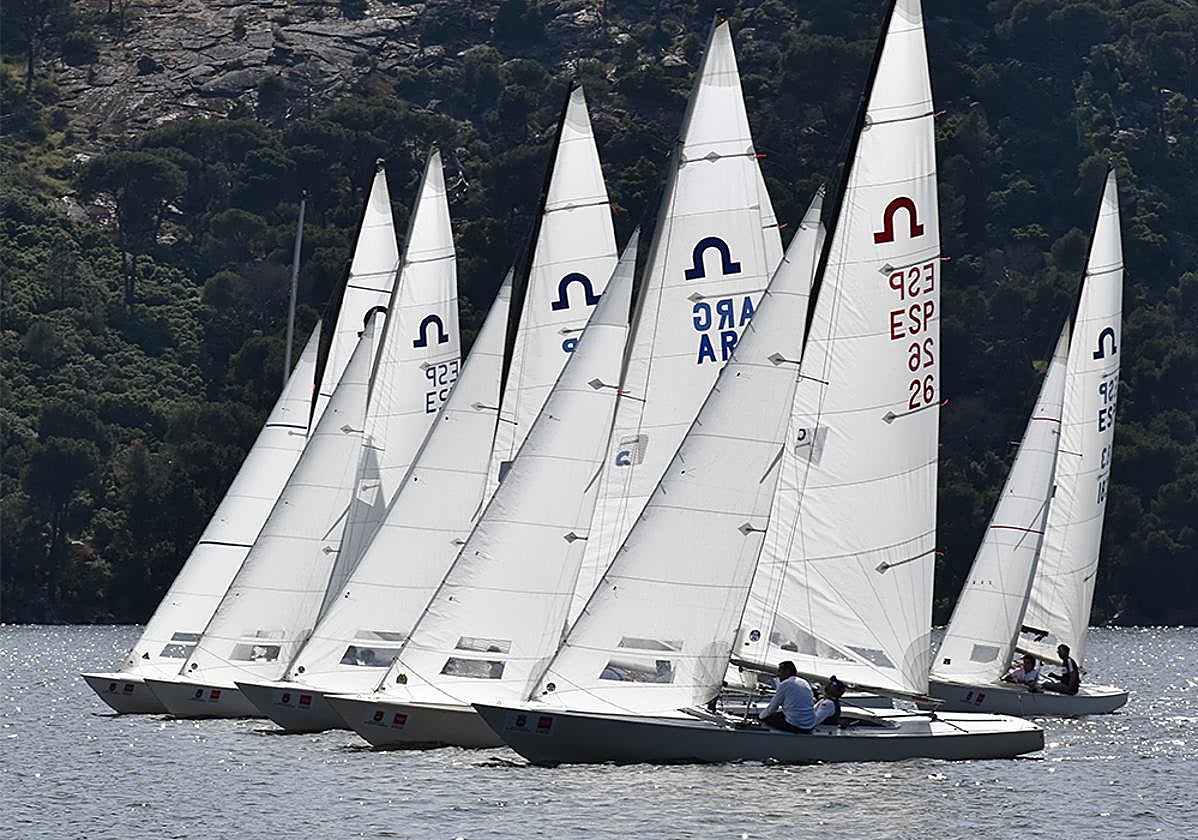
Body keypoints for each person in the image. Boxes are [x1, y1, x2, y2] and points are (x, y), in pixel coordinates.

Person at [758, 661, 815, 733]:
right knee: (779, 715)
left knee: (767, 719)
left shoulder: (786, 684)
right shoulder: (804, 682)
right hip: (810, 725)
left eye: (779, 671)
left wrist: (760, 718)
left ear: (787, 671)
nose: (778, 675)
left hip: (796, 725)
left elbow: (773, 707)